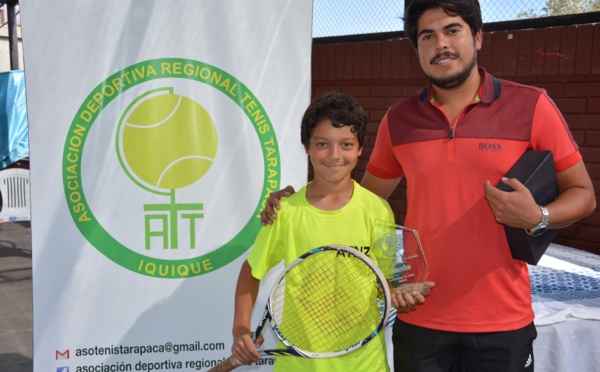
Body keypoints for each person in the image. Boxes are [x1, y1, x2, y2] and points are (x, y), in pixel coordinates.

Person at [260, 0, 597, 371]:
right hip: (419, 318)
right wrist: (295, 201)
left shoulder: (531, 105)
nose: (441, 44)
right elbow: (360, 201)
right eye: (428, 36)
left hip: (502, 321)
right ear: (416, 49)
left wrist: (540, 215)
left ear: (478, 37)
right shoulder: (399, 120)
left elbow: (583, 196)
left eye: (452, 30)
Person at [231, 92, 401, 371]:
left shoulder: (378, 211)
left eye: (346, 144)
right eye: (322, 144)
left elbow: (390, 282)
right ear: (306, 147)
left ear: (360, 149)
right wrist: (240, 328)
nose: (334, 155)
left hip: (365, 365)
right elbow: (251, 271)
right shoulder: (285, 211)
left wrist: (403, 293)